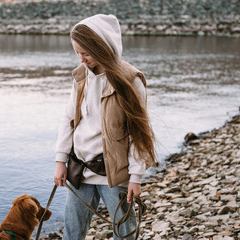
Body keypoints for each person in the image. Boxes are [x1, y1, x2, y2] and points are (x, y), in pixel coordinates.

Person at [53, 14, 156, 240]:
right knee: (71, 233)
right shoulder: (80, 77)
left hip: (116, 174)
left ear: (103, 47)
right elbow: (68, 119)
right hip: (79, 170)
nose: (81, 59)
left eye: (86, 53)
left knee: (125, 233)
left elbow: (140, 135)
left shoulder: (131, 80)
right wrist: (61, 161)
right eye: (77, 53)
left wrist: (136, 177)